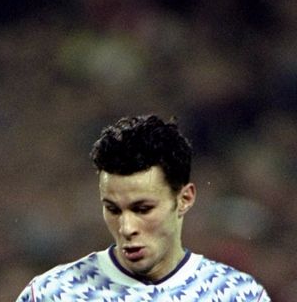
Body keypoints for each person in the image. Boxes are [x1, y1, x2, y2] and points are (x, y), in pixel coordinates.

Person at [16, 114, 270, 301]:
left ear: (184, 199)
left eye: (143, 209)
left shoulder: (238, 295)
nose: (127, 228)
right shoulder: (53, 294)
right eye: (113, 210)